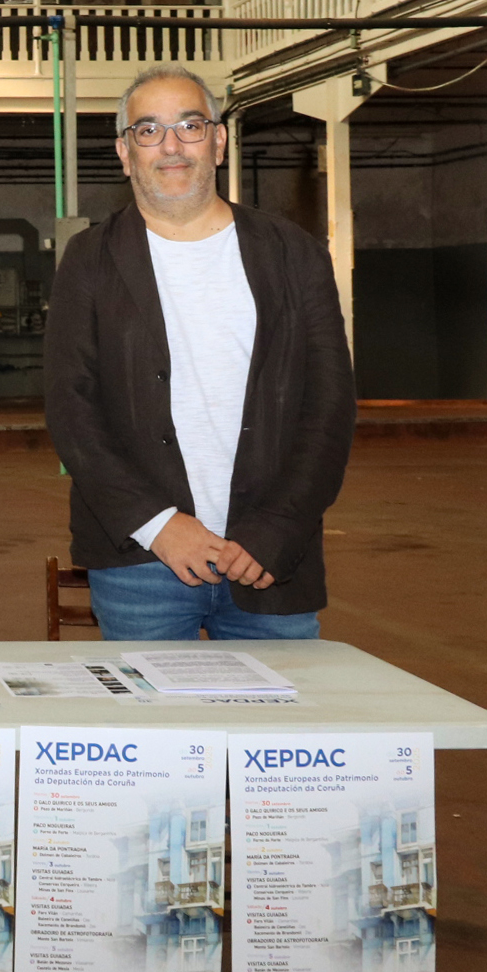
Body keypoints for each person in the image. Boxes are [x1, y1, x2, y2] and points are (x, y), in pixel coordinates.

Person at [45, 63, 353, 640]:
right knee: (149, 705)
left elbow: (328, 410)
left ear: (219, 141)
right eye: (148, 130)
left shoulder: (295, 255)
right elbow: (72, 411)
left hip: (269, 561)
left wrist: (276, 528)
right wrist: (157, 524)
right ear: (125, 151)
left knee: (281, 705)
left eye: (189, 126)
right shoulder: (88, 261)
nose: (171, 146)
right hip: (142, 562)